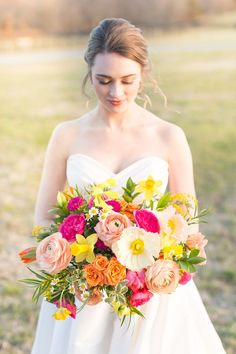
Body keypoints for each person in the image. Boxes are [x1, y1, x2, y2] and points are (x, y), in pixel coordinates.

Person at [31, 17, 226, 354]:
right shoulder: (67, 135)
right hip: (84, 289)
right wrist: (78, 266)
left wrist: (155, 265)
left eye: (127, 80)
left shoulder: (169, 136)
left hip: (149, 293)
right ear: (89, 73)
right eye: (103, 80)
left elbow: (186, 221)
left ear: (143, 75)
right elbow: (44, 219)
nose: (115, 92)